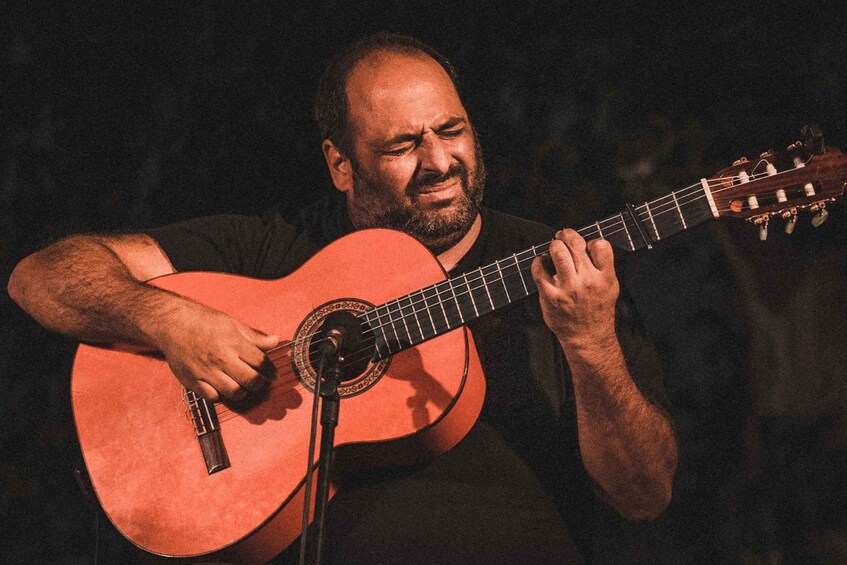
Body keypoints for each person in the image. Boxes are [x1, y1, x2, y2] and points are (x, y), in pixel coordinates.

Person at [8, 32, 677, 563]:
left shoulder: (571, 278)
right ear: (339, 163)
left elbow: (644, 495)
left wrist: (592, 345)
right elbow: (40, 276)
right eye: (402, 144)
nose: (439, 160)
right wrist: (165, 316)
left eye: (452, 130)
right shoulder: (276, 248)